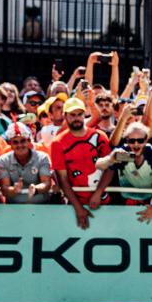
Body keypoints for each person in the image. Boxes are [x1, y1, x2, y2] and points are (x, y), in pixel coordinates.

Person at [50, 97, 114, 228]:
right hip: (73, 204)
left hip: (103, 200)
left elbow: (110, 168)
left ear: (85, 114)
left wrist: (98, 192)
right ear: (65, 116)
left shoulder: (100, 136)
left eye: (80, 114)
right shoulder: (57, 143)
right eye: (72, 115)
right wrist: (78, 208)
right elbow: (62, 178)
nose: (76, 118)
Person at [96, 121, 152, 222]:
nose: (136, 144)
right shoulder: (124, 153)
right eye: (132, 141)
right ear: (127, 140)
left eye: (140, 140)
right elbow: (99, 165)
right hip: (128, 199)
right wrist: (110, 159)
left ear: (146, 140)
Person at [0, 120, 53, 204]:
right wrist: (14, 190)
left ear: (29, 142)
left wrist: (36, 189)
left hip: (41, 207)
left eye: (23, 141)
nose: (19, 145)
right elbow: (5, 188)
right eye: (15, 142)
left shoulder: (42, 157)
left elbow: (46, 183)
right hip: (14, 209)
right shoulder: (3, 161)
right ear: (10, 144)